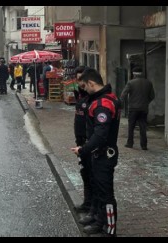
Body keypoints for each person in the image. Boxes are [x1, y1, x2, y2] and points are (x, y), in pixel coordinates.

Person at [71, 68, 121, 237]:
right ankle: (100, 221)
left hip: (104, 153)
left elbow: (100, 134)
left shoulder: (103, 104)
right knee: (99, 190)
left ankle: (110, 229)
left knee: (106, 194)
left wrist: (83, 150)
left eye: (85, 86)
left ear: (92, 83)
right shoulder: (103, 99)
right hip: (98, 153)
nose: (84, 90)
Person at [72, 66, 97, 220]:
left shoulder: (93, 99)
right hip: (80, 142)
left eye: (83, 80)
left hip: (90, 144)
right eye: (78, 79)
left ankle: (93, 209)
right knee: (85, 174)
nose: (80, 83)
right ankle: (87, 203)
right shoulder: (81, 96)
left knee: (92, 176)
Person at [120, 67, 155, 150]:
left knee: (131, 127)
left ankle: (130, 143)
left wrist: (121, 103)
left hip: (133, 108)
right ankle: (144, 145)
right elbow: (152, 96)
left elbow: (123, 95)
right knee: (143, 127)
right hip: (144, 108)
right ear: (142, 73)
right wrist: (146, 102)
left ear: (133, 74)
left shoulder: (130, 83)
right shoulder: (148, 83)